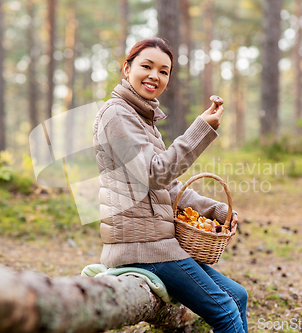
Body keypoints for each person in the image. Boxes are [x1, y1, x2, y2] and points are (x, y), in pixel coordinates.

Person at [92, 38, 248, 333]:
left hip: (160, 244)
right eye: (146, 66)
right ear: (127, 69)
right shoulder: (117, 115)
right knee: (225, 310)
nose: (155, 76)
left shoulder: (142, 119)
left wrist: (216, 210)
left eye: (164, 71)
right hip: (142, 247)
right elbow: (156, 174)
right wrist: (201, 129)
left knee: (238, 296)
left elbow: (168, 187)